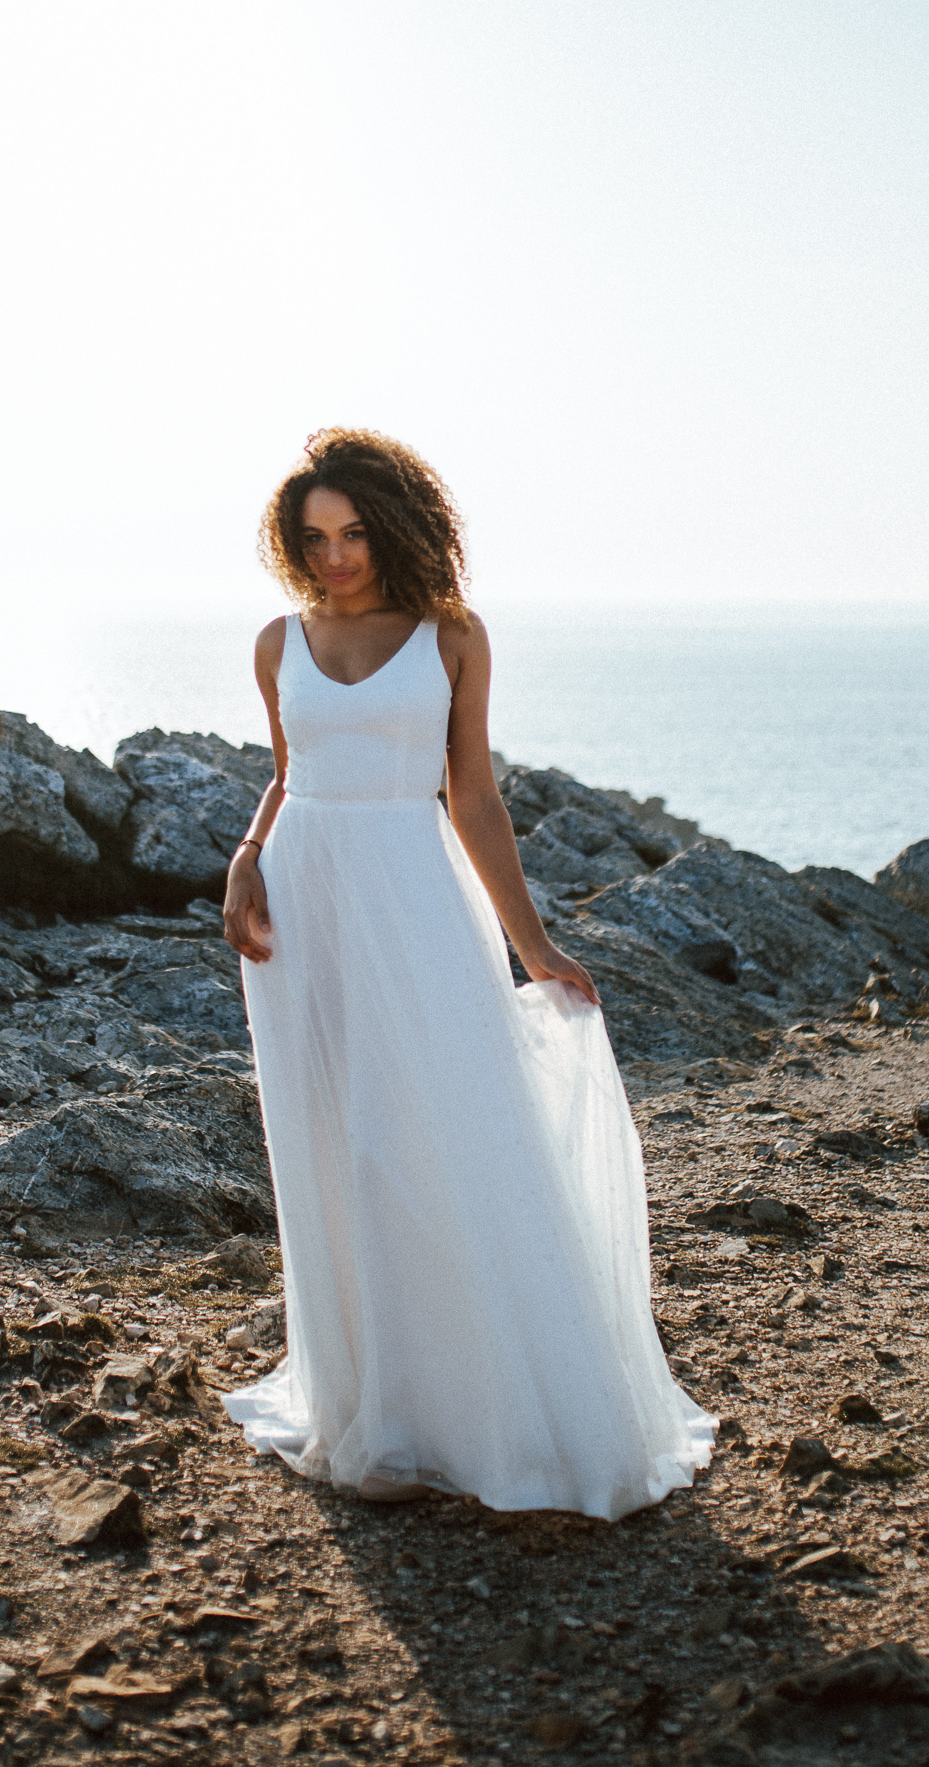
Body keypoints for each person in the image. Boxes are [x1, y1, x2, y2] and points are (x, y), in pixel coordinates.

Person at [220, 428, 716, 1517]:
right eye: (314, 537)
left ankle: (471, 1406)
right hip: (303, 903)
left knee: (433, 1129)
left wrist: (530, 943)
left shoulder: (449, 636)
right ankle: (371, 1409)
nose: (336, 556)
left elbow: (474, 797)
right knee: (329, 1146)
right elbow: (287, 774)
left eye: (353, 532)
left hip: (413, 889)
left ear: (394, 525)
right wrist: (246, 856)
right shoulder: (276, 640)